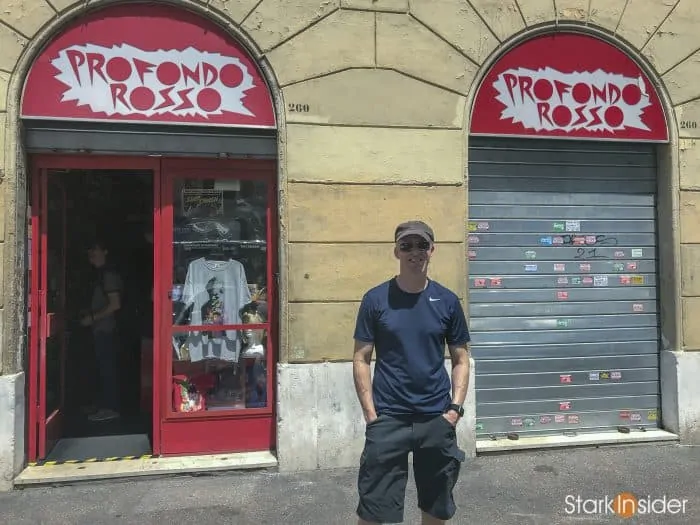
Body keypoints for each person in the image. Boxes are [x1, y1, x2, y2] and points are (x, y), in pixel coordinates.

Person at [353, 220, 471, 525]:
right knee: (374, 510)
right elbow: (361, 358)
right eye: (407, 245)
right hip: (388, 419)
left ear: (432, 250)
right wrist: (371, 416)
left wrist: (454, 410)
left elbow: (461, 359)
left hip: (435, 418)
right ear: (396, 251)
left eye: (421, 245)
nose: (414, 252)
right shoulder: (375, 300)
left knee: (436, 508)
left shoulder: (447, 301)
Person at [80, 239, 123, 422]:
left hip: (106, 329)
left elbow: (115, 304)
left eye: (95, 248)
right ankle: (101, 404)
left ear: (105, 251)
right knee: (99, 367)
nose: (91, 252)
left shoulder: (109, 274)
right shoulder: (98, 274)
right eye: (89, 248)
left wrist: (93, 318)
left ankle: (110, 408)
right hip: (99, 329)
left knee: (107, 368)